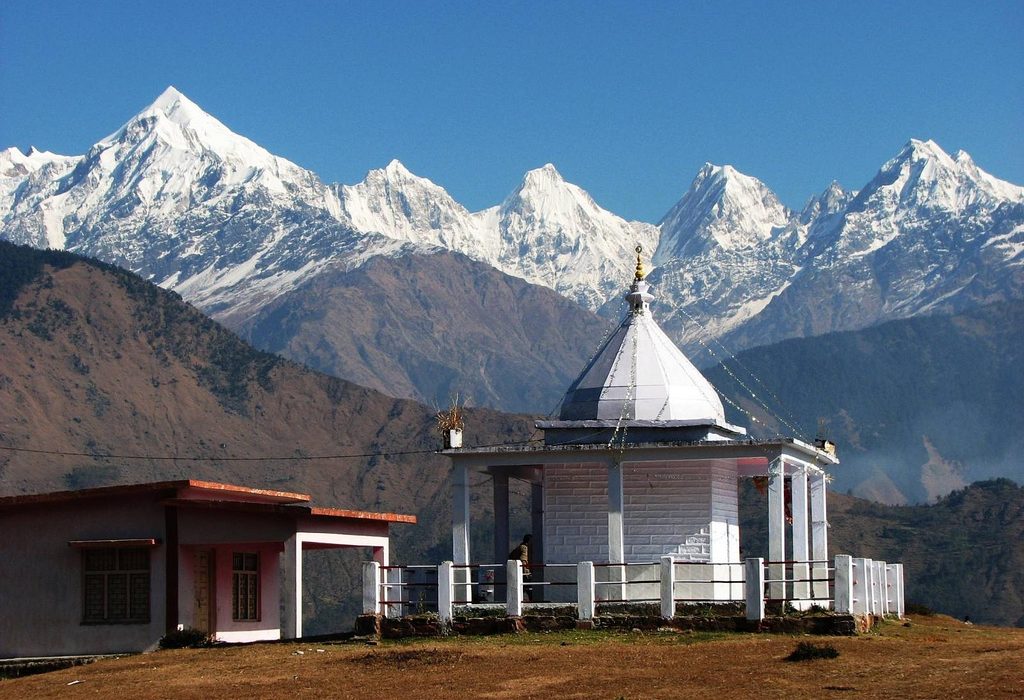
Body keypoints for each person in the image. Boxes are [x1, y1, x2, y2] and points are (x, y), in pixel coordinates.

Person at [508, 534, 532, 601]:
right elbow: (523, 561)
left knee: (525, 589)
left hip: (521, 572)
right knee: (527, 588)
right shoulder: (524, 548)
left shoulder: (521, 547)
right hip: (524, 572)